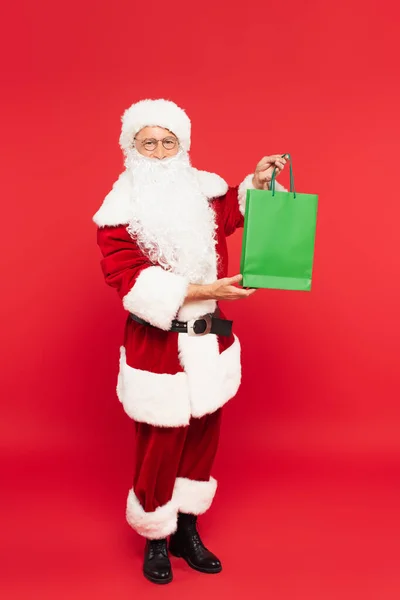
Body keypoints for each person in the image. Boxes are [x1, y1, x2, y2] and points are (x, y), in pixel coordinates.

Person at [93, 99, 288, 584]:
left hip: (209, 341)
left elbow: (234, 215)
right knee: (160, 444)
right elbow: (129, 280)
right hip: (157, 345)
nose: (159, 151)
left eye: (168, 141)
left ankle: (186, 529)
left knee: (203, 437)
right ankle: (155, 536)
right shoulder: (117, 213)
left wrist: (258, 182)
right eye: (148, 143)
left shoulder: (203, 192)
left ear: (182, 145)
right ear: (131, 148)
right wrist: (207, 290)